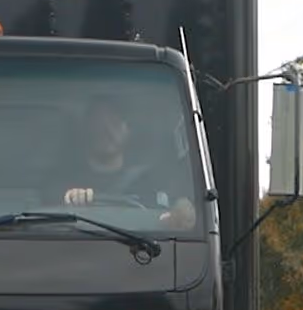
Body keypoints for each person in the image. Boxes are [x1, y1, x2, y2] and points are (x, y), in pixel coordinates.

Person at [51, 97, 197, 230]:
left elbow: (178, 212)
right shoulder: (64, 180)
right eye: (98, 122)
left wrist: (180, 212)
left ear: (128, 130)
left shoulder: (151, 181)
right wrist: (70, 201)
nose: (106, 130)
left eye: (114, 122)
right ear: (86, 130)